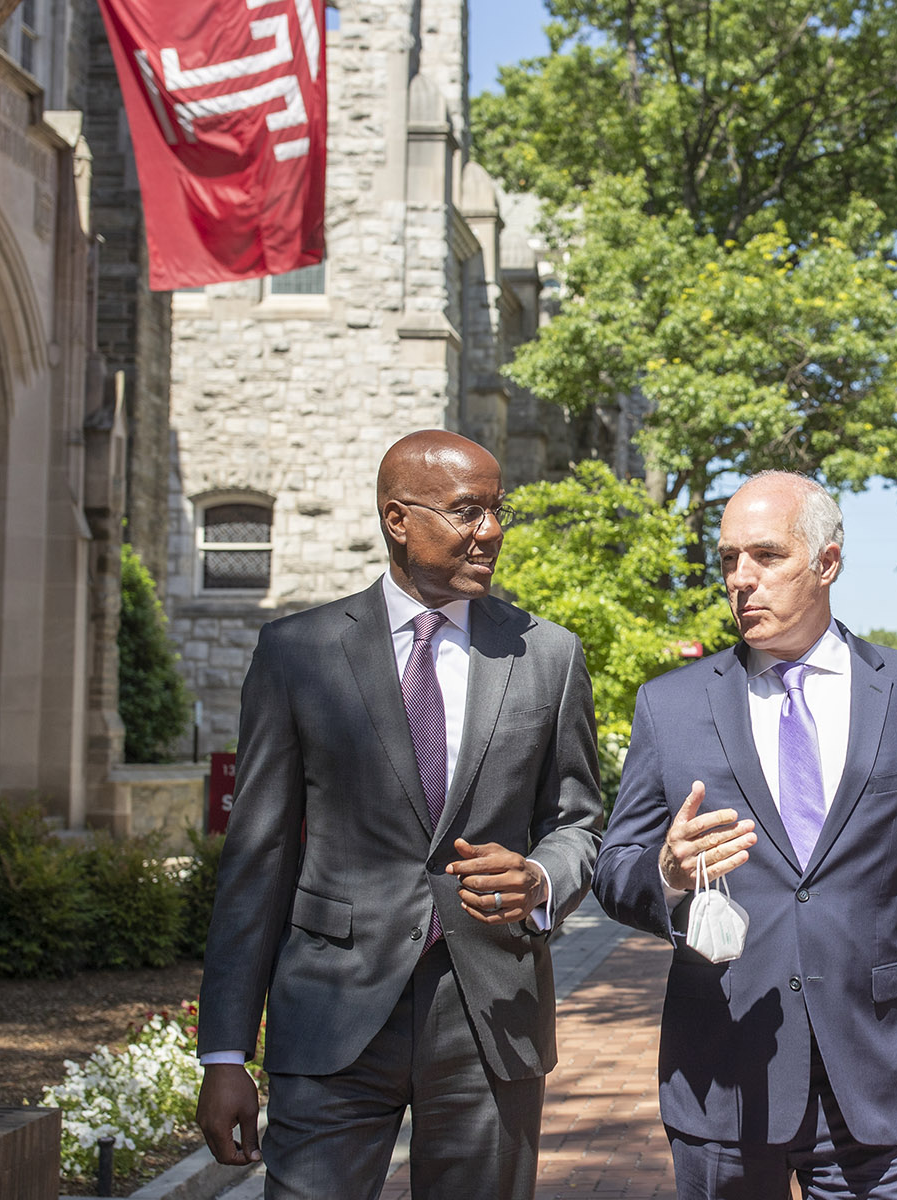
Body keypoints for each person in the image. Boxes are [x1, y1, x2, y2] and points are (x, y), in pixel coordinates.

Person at [593, 471, 897, 1200]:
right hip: (721, 1074)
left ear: (827, 562)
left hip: (873, 1075)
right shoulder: (670, 706)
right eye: (729, 559)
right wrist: (666, 872)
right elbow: (613, 870)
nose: (741, 579)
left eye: (765, 556)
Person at [193, 430, 604, 1200]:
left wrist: (542, 878)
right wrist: (224, 1053)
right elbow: (258, 860)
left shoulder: (548, 655)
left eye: (497, 510)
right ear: (397, 519)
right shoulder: (297, 653)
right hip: (331, 1015)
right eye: (466, 511)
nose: (492, 531)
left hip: (491, 1014)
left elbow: (580, 820)